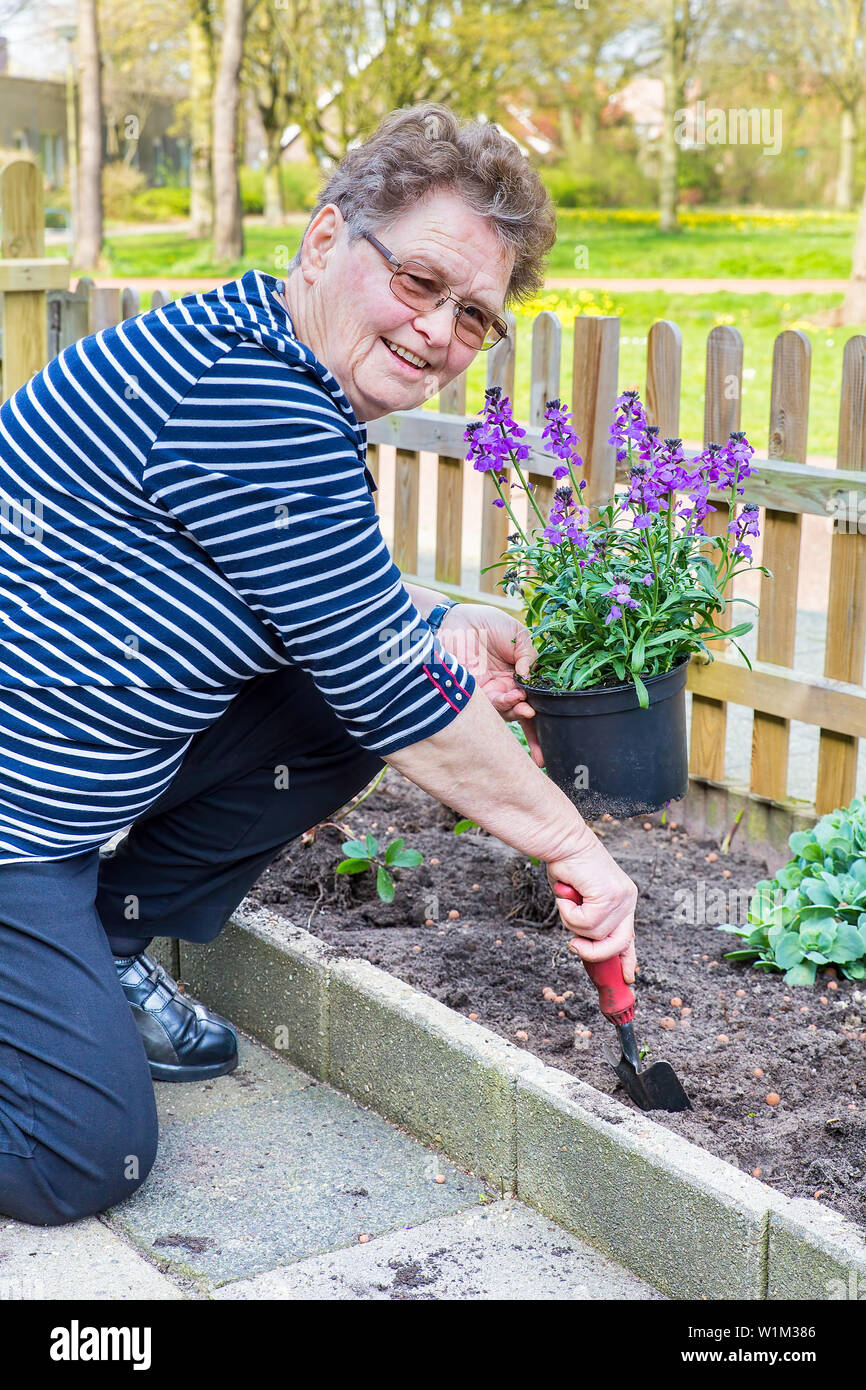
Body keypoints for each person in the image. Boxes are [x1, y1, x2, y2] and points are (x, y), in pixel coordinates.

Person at [0, 103, 636, 1227]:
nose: (439, 331)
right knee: (84, 1158)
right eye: (420, 283)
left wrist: (432, 617)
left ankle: (94, 953)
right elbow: (390, 682)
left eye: (474, 316)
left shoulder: (262, 355)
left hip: (48, 795)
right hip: (16, 830)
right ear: (325, 240)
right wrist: (574, 844)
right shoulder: (252, 396)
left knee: (342, 700)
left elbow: (330, 610)